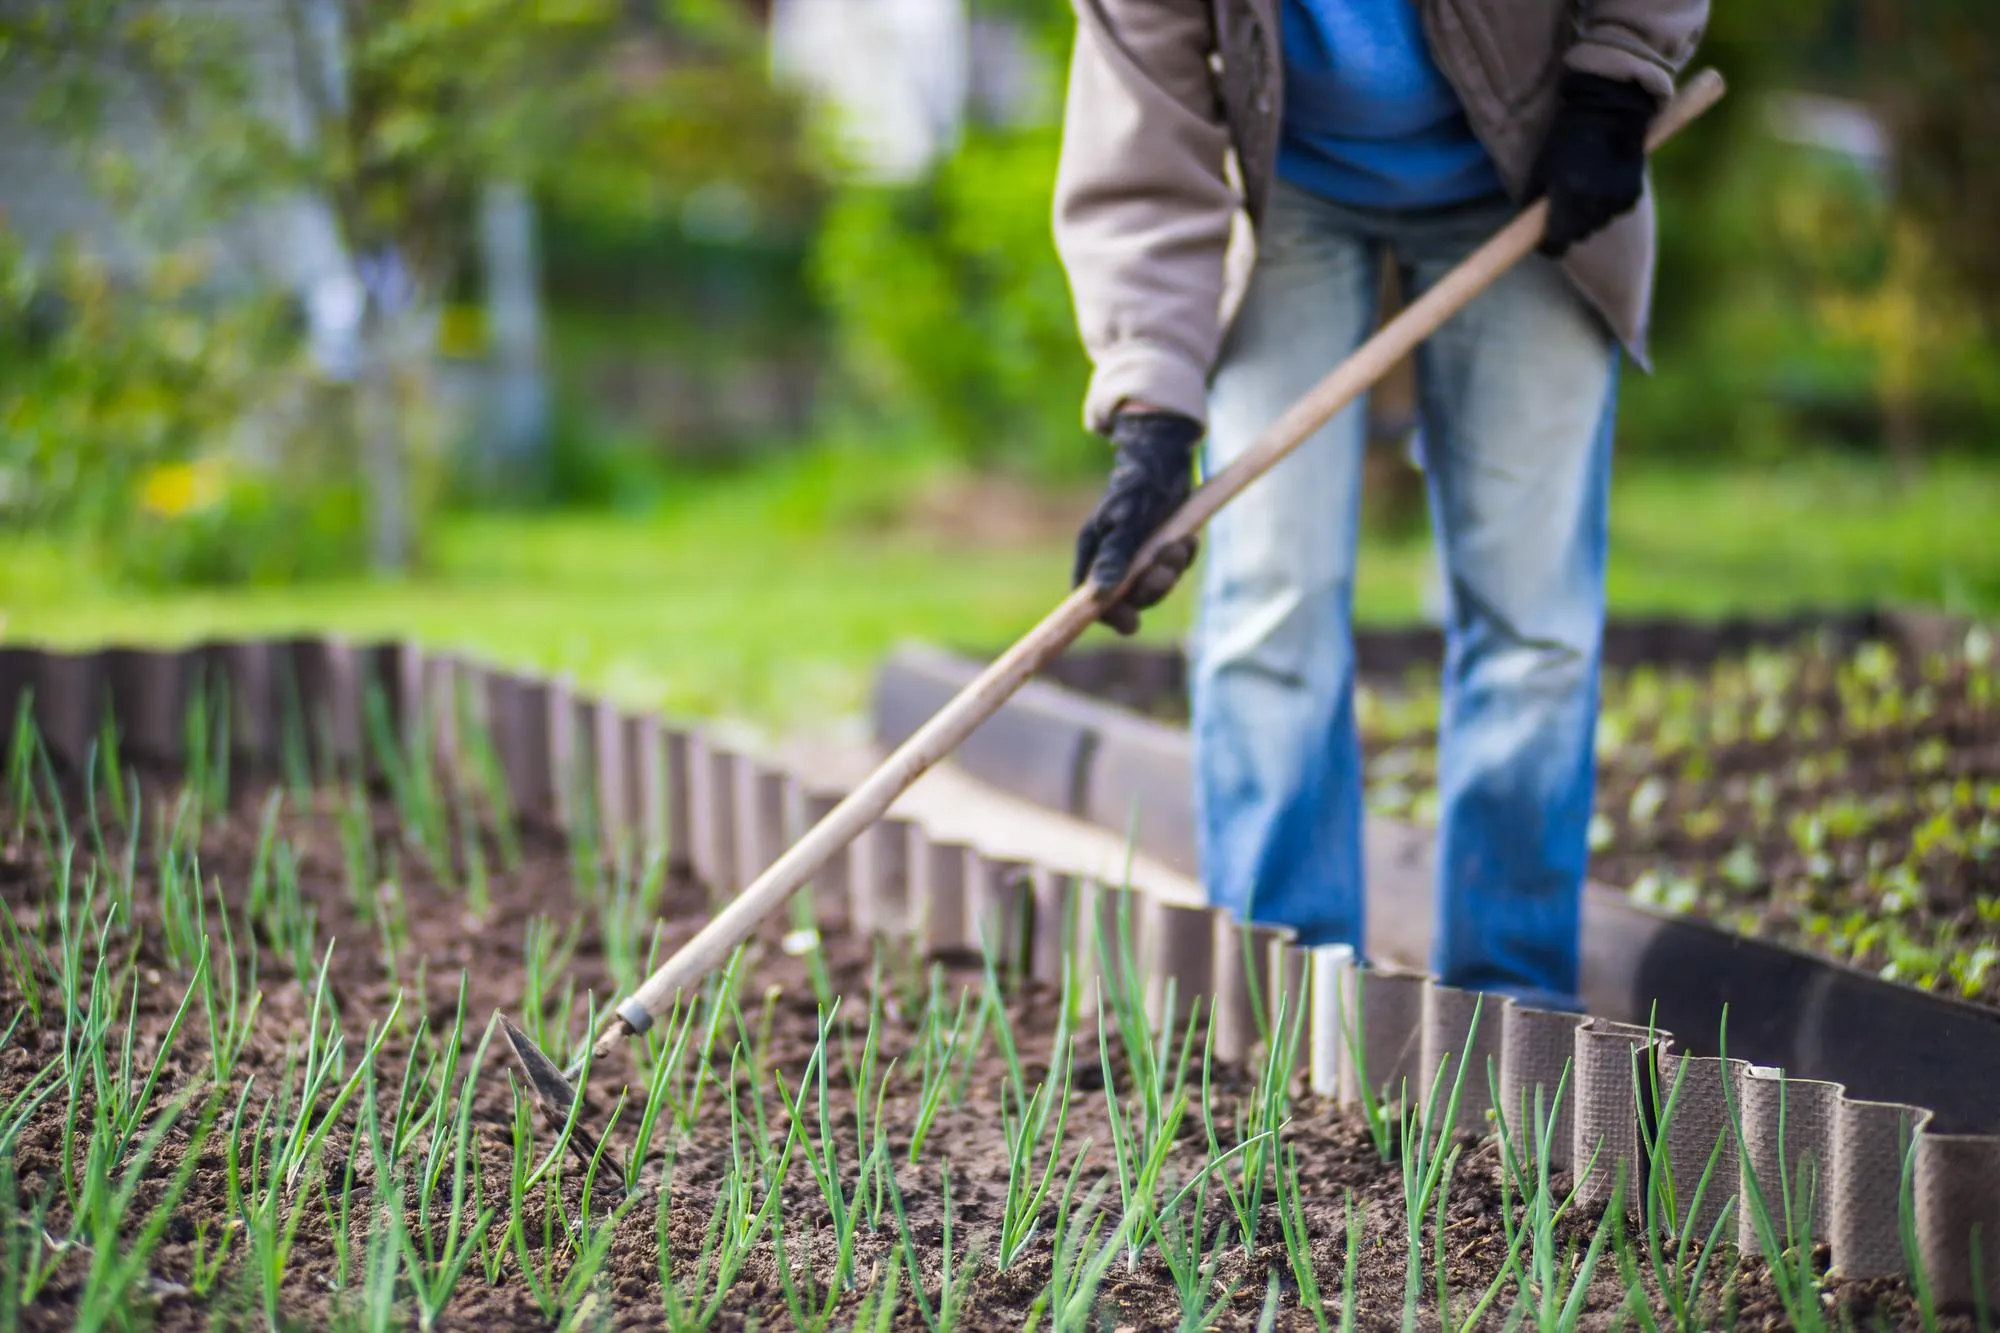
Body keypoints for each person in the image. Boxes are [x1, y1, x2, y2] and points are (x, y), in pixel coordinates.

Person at [1056, 0, 1708, 1011]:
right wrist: (1153, 418)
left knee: (1530, 613)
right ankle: (1286, 998)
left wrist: (1617, 77)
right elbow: (1142, 141)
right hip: (1288, 182)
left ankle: (1513, 998)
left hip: (1529, 159)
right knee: (1269, 598)